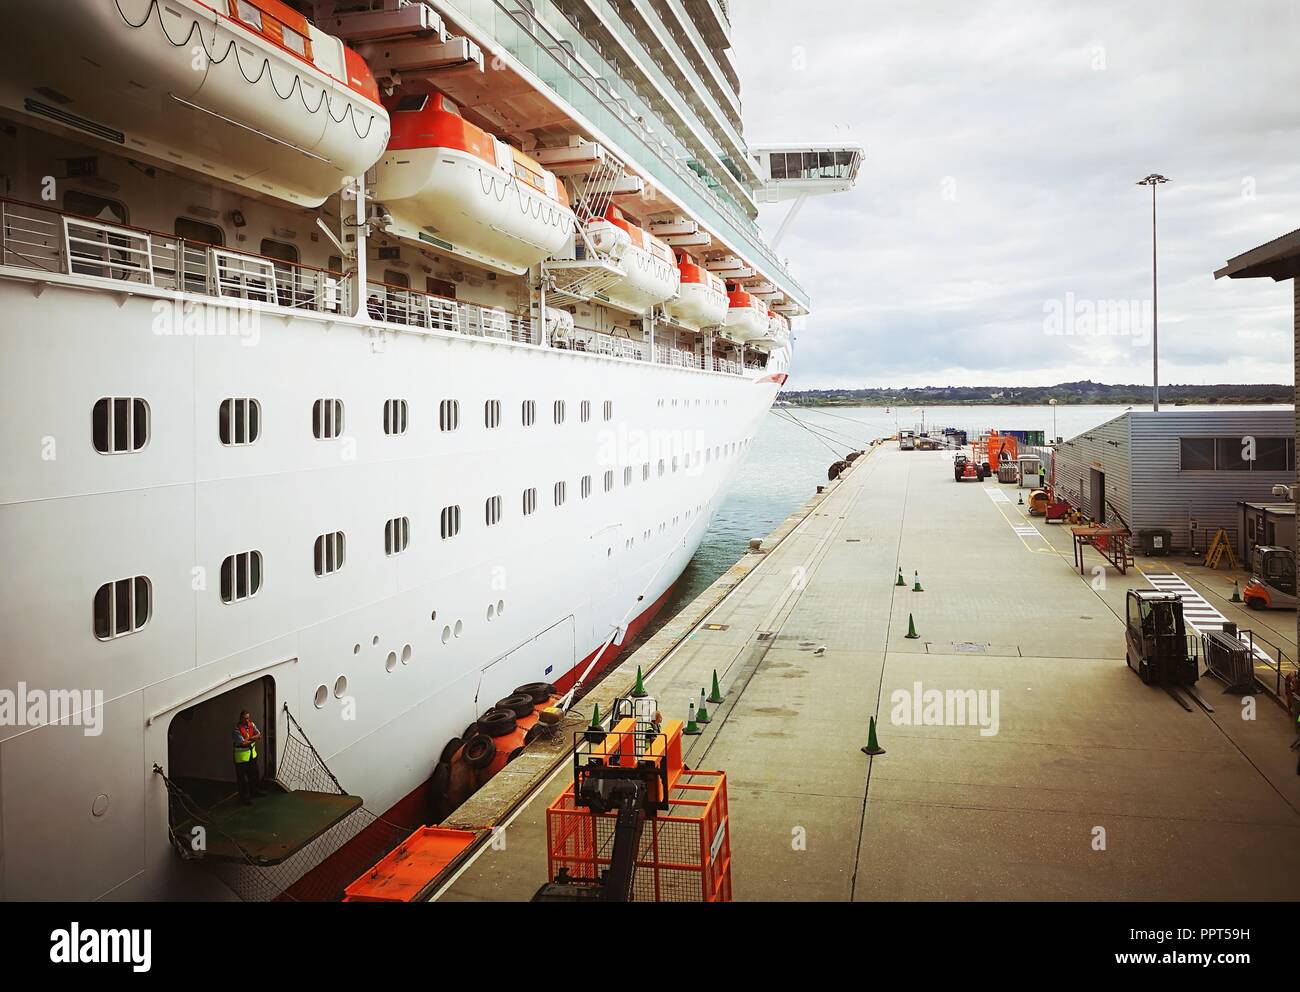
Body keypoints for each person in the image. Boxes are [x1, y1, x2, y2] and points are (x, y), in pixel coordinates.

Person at [232, 710, 268, 804]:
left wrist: (250, 739)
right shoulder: (236, 729)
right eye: (245, 718)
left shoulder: (251, 724)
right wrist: (253, 739)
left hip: (252, 756)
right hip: (241, 758)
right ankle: (244, 798)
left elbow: (259, 735)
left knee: (254, 775)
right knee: (242, 780)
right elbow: (243, 743)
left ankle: (255, 791)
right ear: (241, 718)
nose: (247, 720)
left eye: (248, 718)